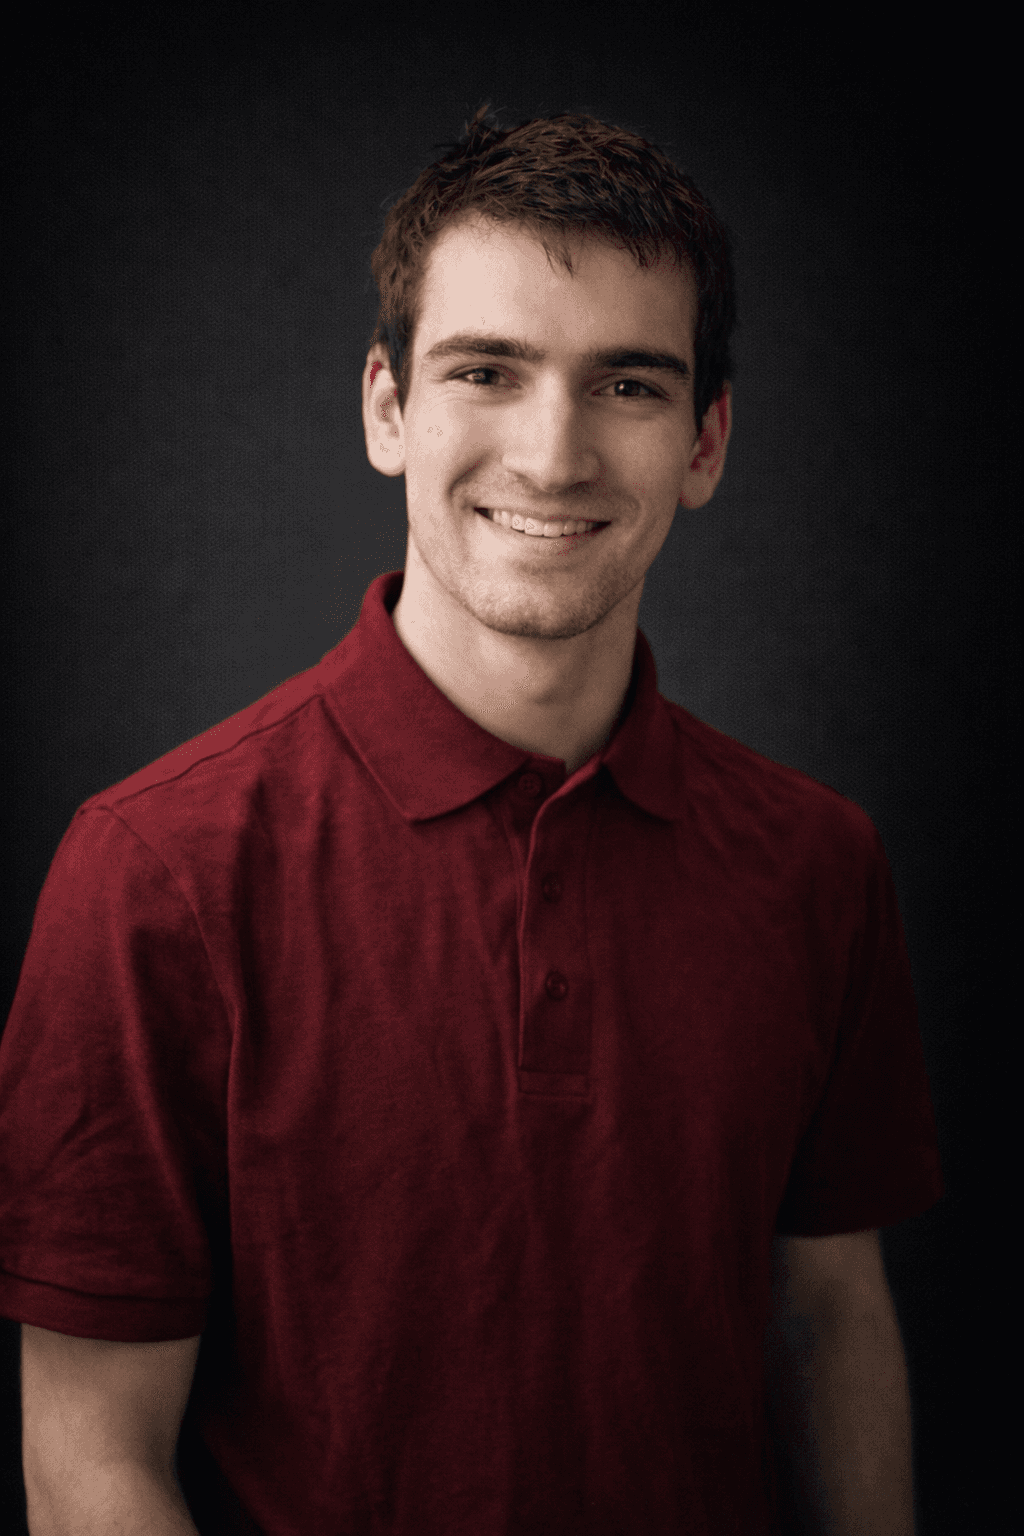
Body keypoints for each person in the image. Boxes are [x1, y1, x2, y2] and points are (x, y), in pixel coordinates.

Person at [0, 105, 943, 1535]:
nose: (554, 453)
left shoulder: (818, 865)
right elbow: (90, 1456)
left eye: (629, 383)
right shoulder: (152, 873)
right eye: (487, 371)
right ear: (389, 409)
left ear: (707, 440)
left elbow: (825, 1320)